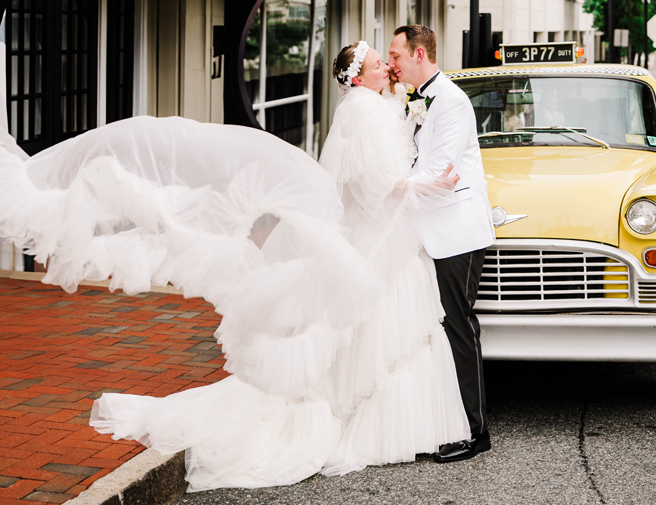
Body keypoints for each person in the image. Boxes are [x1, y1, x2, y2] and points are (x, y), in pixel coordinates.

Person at [0, 40, 472, 489]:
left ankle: (377, 413)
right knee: (378, 325)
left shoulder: (377, 105)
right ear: (359, 77)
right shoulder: (363, 113)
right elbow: (375, 186)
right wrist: (423, 187)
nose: (386, 68)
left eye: (388, 59)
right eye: (377, 63)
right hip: (381, 231)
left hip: (390, 234)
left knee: (382, 326)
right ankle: (365, 417)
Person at [388, 24, 495, 462]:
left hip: (457, 232)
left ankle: (476, 431)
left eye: (395, 55)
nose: (392, 63)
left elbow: (441, 175)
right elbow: (425, 169)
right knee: (440, 328)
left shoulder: (450, 101)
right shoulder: (415, 100)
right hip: (429, 229)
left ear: (418, 54)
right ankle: (448, 422)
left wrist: (390, 186)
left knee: (459, 327)